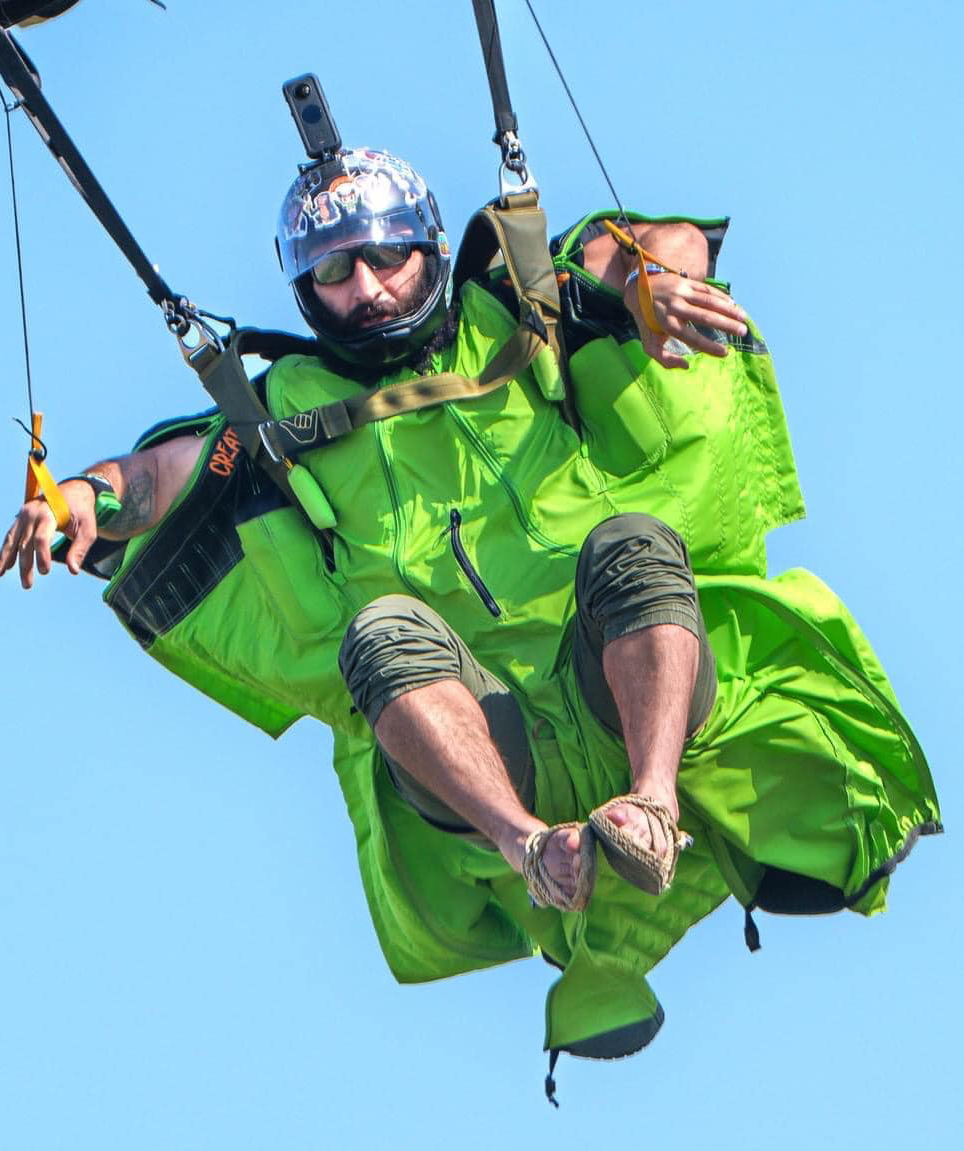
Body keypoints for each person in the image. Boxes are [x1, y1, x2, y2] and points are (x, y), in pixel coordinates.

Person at [1, 147, 941, 1075]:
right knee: (380, 630)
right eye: (333, 271)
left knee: (635, 542)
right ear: (304, 290)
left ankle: (651, 806)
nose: (365, 287)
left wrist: (656, 282)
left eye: (386, 256)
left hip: (620, 676)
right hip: (481, 743)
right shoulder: (280, 408)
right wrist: (81, 497)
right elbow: (153, 478)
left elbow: (665, 242)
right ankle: (532, 848)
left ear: (431, 246)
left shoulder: (521, 306)